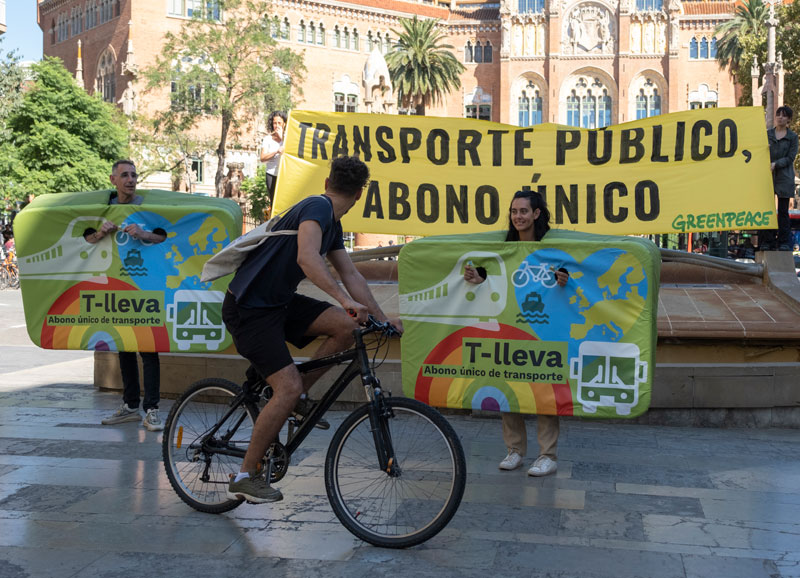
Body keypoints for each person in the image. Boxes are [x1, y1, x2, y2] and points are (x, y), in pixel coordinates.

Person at [222, 155, 401, 503]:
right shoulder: (317, 208)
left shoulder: (329, 221)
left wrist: (382, 317)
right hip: (249, 310)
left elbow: (352, 274)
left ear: (328, 181)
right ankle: (245, 474)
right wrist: (344, 299)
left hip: (278, 304)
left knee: (347, 327)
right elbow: (307, 258)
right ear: (360, 193)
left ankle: (298, 396)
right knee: (285, 388)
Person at [464, 190, 568, 477]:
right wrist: (478, 278)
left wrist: (563, 279)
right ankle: (515, 451)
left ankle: (548, 455)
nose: (518, 216)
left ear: (536, 214)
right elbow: (491, 276)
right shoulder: (504, 248)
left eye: (523, 211)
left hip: (544, 330)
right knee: (509, 386)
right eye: (513, 211)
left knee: (545, 388)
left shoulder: (553, 247)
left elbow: (570, 276)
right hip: (510, 328)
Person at [85, 160, 167, 432]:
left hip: (145, 286)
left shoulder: (147, 206)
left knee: (148, 347)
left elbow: (166, 236)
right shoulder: (102, 207)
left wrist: (144, 234)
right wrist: (101, 232)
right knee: (125, 345)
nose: (130, 179)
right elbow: (84, 239)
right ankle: (131, 405)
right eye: (125, 175)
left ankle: (152, 409)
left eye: (134, 175)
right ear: (113, 180)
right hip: (117, 286)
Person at [767, 106, 798, 251]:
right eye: (778, 114)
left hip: (785, 177)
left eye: (784, 116)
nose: (780, 117)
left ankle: (784, 242)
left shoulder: (793, 137)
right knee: (767, 209)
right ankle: (767, 241)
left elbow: (791, 157)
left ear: (789, 120)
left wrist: (776, 164)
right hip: (767, 175)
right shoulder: (767, 135)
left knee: (783, 211)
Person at [260, 111, 287, 204]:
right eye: (275, 123)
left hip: (284, 174)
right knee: (274, 202)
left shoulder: (288, 138)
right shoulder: (267, 139)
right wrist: (276, 152)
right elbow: (262, 158)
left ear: (284, 124)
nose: (277, 125)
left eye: (279, 123)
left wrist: (282, 138)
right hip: (271, 174)